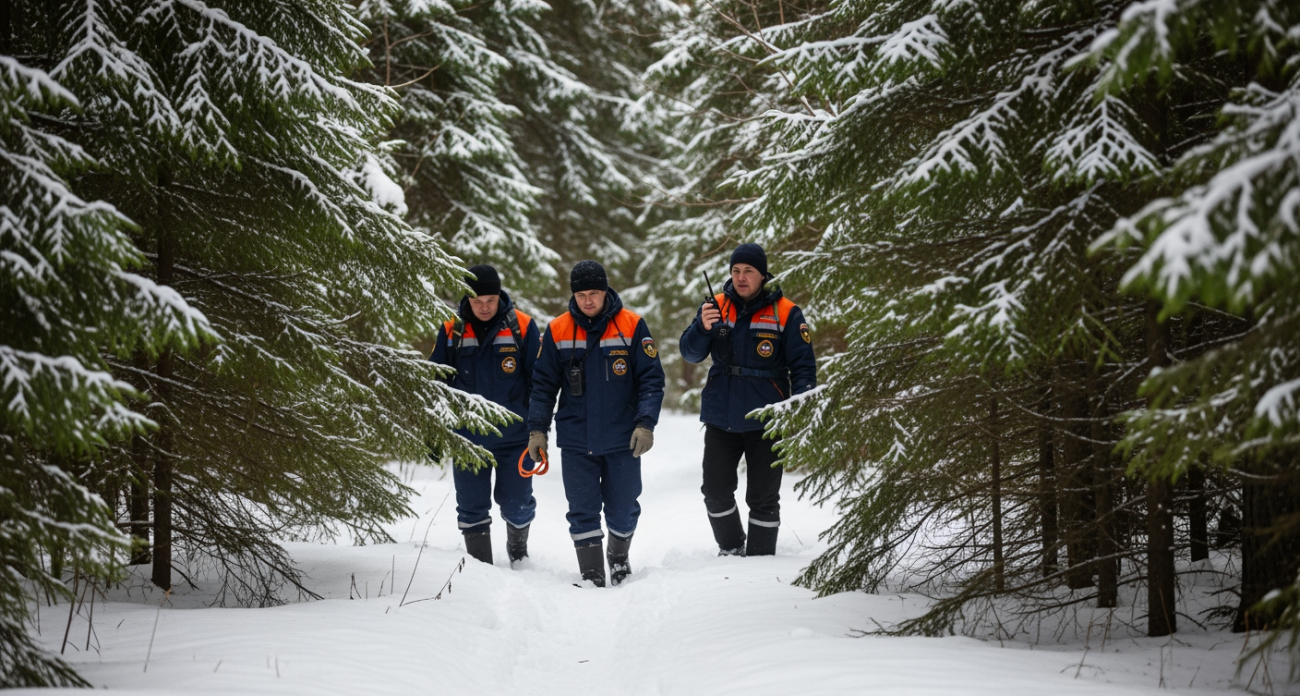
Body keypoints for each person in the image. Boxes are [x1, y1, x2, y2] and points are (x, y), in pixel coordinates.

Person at [527, 260, 665, 587]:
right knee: (582, 510)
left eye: (594, 293)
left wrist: (645, 424)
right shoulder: (558, 330)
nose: (587, 301)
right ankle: (591, 575)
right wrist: (537, 431)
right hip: (576, 440)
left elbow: (651, 380)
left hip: (623, 440)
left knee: (624, 510)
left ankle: (618, 557)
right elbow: (543, 385)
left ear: (605, 292)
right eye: (580, 294)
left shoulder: (632, 326)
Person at [679, 243, 817, 556]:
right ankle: (730, 548)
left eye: (748, 271)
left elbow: (804, 368)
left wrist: (800, 414)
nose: (741, 277)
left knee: (764, 498)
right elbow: (689, 352)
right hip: (721, 418)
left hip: (766, 421)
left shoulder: (787, 312)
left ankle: (760, 556)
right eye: (736, 271)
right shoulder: (714, 306)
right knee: (714, 493)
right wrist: (702, 326)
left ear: (762, 275)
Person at [429, 265, 541, 566]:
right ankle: (482, 569)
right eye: (477, 301)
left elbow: (540, 382)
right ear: (467, 298)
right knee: (470, 506)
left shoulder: (522, 326)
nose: (484, 307)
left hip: (515, 439)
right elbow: (437, 381)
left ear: (499, 295)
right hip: (468, 440)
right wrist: (433, 431)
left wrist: (539, 429)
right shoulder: (452, 328)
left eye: (490, 300)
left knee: (518, 504)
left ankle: (518, 555)